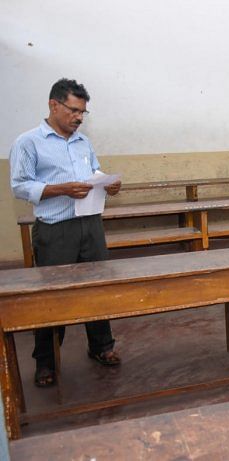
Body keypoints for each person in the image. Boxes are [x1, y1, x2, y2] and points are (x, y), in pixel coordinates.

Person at [9, 78, 122, 387]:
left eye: (83, 113)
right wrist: (60, 189)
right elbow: (19, 185)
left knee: (97, 288)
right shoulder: (28, 142)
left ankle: (101, 346)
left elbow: (94, 173)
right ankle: (45, 362)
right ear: (53, 105)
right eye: (73, 111)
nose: (78, 118)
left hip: (90, 225)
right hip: (55, 230)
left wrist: (108, 183)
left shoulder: (83, 142)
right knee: (51, 297)